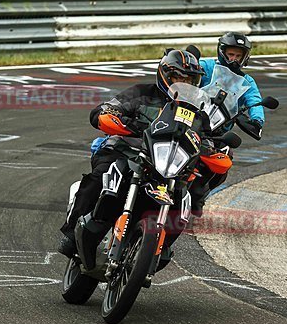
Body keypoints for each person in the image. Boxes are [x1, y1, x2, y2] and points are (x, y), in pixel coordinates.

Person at [57, 47, 205, 258]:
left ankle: (162, 246)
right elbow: (106, 109)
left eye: (189, 80)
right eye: (176, 78)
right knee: (102, 176)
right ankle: (72, 233)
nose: (183, 84)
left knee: (183, 197)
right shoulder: (141, 93)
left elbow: (209, 136)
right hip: (124, 151)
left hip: (166, 165)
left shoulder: (196, 112)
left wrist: (214, 148)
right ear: (163, 74)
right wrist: (116, 118)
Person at [189, 32, 266, 217]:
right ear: (222, 52)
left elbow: (254, 100)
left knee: (225, 159)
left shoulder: (247, 82)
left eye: (238, 56)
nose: (234, 59)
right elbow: (188, 70)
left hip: (218, 131)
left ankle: (199, 193)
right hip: (191, 118)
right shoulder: (207, 66)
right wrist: (185, 62)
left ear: (245, 57)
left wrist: (256, 120)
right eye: (231, 54)